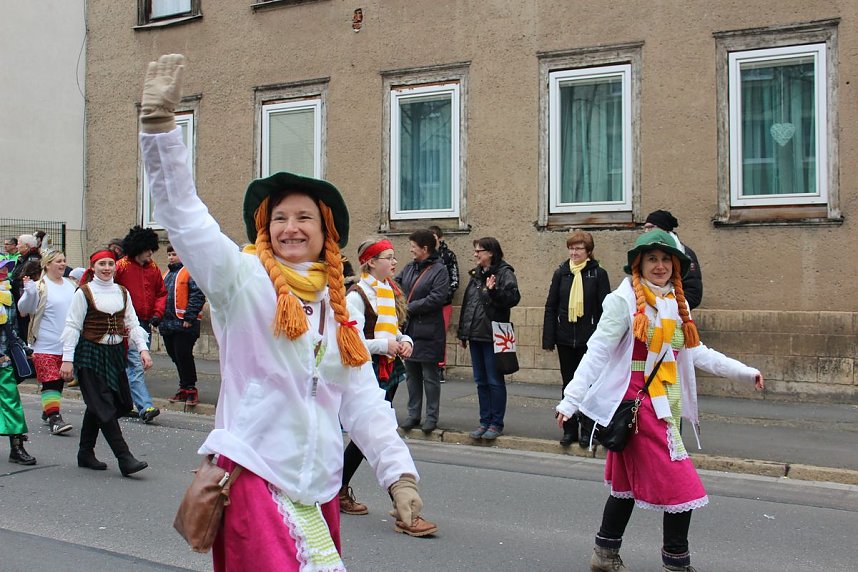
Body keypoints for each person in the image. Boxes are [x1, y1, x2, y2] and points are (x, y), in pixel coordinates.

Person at [139, 54, 433, 568]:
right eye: (279, 218)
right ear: (265, 227)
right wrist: (161, 131)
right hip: (253, 473)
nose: (290, 228)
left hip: (317, 486)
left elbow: (363, 401)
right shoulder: (242, 280)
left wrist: (399, 476)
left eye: (303, 218)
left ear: (326, 234)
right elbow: (184, 217)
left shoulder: (339, 311)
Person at [555, 230, 764, 572]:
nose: (660, 265)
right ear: (638, 264)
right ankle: (676, 564)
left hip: (667, 404)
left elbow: (697, 352)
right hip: (637, 407)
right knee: (683, 485)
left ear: (676, 266)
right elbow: (597, 352)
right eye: (652, 259)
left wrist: (744, 373)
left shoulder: (677, 304)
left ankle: (604, 554)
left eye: (667, 259)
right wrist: (570, 401)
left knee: (625, 485)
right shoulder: (623, 301)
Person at [339, 238, 436, 534]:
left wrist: (405, 342)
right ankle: (403, 507)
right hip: (365, 369)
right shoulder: (356, 296)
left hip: (388, 367)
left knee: (372, 433)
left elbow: (396, 330)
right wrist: (386, 345)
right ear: (370, 262)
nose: (395, 262)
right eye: (388, 257)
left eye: (394, 257)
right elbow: (351, 342)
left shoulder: (389, 291)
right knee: (375, 433)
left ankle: (339, 489)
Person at [60, 250, 151, 476]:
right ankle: (125, 458)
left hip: (115, 353)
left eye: (110, 263)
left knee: (118, 403)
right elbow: (72, 326)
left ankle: (85, 452)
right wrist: (67, 360)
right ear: (93, 267)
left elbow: (132, 323)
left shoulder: (122, 292)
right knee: (103, 405)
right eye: (102, 264)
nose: (107, 268)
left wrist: (143, 350)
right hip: (90, 353)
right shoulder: (84, 292)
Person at [543, 231, 611, 447]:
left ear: (588, 251)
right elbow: (551, 306)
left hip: (589, 340)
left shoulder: (598, 274)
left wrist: (605, 339)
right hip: (565, 338)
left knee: (590, 386)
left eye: (579, 249)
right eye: (571, 248)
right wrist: (549, 338)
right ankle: (569, 430)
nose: (574, 252)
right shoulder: (561, 273)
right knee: (569, 384)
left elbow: (606, 310)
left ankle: (588, 431)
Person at [458, 237, 520, 441]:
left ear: (491, 252)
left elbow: (513, 299)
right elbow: (469, 304)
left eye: (479, 251)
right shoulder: (476, 275)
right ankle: (484, 421)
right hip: (475, 335)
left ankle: (496, 423)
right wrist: (463, 332)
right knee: (480, 381)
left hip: (494, 334)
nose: (475, 254)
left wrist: (494, 292)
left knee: (494, 381)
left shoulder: (505, 273)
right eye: (475, 251)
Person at [17, 250, 76, 435]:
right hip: (44, 344)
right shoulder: (39, 286)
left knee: (59, 380)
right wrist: (29, 293)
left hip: (67, 344)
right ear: (47, 265)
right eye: (58, 261)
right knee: (51, 381)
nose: (63, 264)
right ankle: (55, 419)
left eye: (64, 260)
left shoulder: (71, 285)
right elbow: (24, 310)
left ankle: (49, 408)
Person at [397, 229, 449, 434]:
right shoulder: (409, 267)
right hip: (410, 329)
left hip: (429, 331)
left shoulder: (439, 270)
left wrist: (408, 307)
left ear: (424, 248)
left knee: (430, 376)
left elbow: (437, 298)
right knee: (412, 375)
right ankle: (413, 414)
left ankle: (431, 417)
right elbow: (396, 285)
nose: (411, 250)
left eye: (413, 246)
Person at [114, 226, 165, 423]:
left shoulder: (153, 268)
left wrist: (157, 313)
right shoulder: (120, 267)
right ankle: (145, 406)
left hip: (145, 322)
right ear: (138, 248)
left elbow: (161, 292)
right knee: (135, 365)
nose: (151, 253)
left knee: (133, 366)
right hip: (124, 323)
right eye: (147, 249)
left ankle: (123, 403)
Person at [1, 258, 36, 465]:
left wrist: (24, 348)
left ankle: (17, 448)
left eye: (6, 268)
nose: (5, 272)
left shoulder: (6, 296)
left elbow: (12, 329)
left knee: (12, 403)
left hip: (4, 363)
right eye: (1, 269)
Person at [161, 244, 206, 406]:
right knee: (174, 355)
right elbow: (160, 297)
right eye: (169, 255)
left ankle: (190, 388)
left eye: (174, 254)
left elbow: (197, 295)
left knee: (183, 354)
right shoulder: (166, 274)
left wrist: (189, 317)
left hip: (185, 323)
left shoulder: (190, 271)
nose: (171, 257)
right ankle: (184, 387)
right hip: (167, 324)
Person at [643, 210, 703, 310]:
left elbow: (693, 293)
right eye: (645, 228)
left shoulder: (685, 254)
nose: (646, 232)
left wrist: (668, 307)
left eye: (650, 227)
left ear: (663, 229)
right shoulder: (642, 252)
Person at [427, 226, 458, 382]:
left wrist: (443, 296)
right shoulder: (424, 256)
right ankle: (427, 366)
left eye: (433, 237)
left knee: (440, 335)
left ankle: (439, 367)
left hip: (443, 303)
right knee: (426, 333)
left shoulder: (448, 256)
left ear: (440, 238)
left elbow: (455, 280)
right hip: (426, 303)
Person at [10, 234, 42, 340]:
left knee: (25, 330)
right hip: (20, 301)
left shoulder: (33, 261)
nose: (17, 246)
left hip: (25, 304)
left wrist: (24, 306)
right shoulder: (24, 259)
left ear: (27, 246)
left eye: (19, 243)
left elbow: (25, 282)